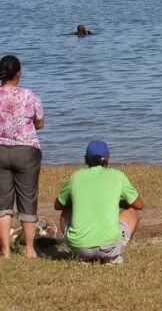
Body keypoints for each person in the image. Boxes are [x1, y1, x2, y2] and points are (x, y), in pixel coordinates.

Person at [54, 141, 143, 264]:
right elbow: (139, 205)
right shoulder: (117, 176)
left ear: (85, 159)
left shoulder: (76, 177)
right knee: (132, 211)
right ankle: (113, 256)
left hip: (80, 249)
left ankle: (83, 256)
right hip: (109, 249)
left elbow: (58, 205)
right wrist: (119, 202)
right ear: (107, 159)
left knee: (66, 210)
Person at [0, 55, 45, 259]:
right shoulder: (29, 95)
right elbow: (40, 123)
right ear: (19, 73)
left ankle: (5, 251)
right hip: (26, 150)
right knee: (28, 198)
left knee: (3, 203)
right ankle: (29, 249)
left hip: (1, 149)